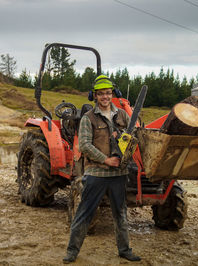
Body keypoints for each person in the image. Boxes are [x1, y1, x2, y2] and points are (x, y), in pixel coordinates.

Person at [63, 75, 141, 263]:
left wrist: (124, 139)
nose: (105, 97)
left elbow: (134, 136)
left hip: (119, 173)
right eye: (101, 94)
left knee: (120, 213)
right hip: (96, 173)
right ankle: (72, 252)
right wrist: (106, 160)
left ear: (112, 94)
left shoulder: (123, 115)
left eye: (108, 93)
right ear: (94, 96)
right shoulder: (88, 118)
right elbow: (84, 145)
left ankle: (124, 250)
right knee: (84, 213)